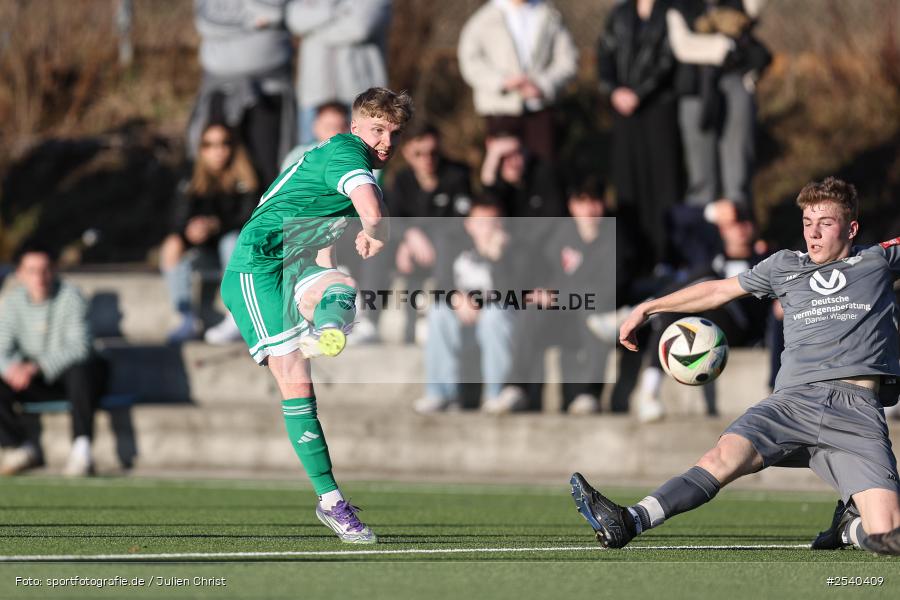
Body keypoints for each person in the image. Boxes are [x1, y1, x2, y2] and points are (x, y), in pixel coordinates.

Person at [571, 177, 900, 555]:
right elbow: (716, 290)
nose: (813, 233)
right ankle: (629, 520)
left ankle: (847, 530)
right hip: (791, 404)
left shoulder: (877, 260)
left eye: (825, 223)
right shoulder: (784, 266)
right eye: (808, 222)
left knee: (888, 535)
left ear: (851, 228)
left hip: (855, 411)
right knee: (722, 457)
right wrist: (649, 307)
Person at [220, 87, 412, 543]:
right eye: (378, 129)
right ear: (356, 127)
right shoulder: (348, 154)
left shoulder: (349, 163)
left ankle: (324, 331)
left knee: (343, 290)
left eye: (393, 133)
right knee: (295, 378)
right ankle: (330, 501)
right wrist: (378, 230)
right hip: (259, 267)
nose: (385, 141)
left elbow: (325, 245)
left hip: (296, 261)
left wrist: (349, 253)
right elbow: (370, 207)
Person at [359, 122, 474, 343]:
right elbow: (390, 219)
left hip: (447, 248)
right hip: (412, 249)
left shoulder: (457, 175)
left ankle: (440, 311)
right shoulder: (401, 180)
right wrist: (409, 237)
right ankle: (369, 320)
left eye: (433, 153)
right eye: (419, 153)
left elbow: (460, 222)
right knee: (376, 244)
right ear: (407, 153)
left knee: (444, 240)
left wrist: (418, 236)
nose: (427, 159)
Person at [0, 241, 107, 477]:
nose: (40, 277)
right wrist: (11, 369)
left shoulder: (71, 297)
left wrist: (37, 367)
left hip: (74, 379)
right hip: (34, 381)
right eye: (32, 270)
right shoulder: (11, 303)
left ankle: (81, 449)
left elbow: (80, 346)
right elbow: (1, 348)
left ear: (54, 270)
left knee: (81, 369)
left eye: (45, 269)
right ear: (19, 273)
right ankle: (18, 447)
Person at [598, 0, 683, 272]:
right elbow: (604, 56)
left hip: (659, 107)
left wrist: (640, 92)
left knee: (662, 182)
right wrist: (614, 91)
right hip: (623, 110)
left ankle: (665, 256)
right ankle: (633, 257)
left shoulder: (672, 12)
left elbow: (668, 60)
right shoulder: (619, 15)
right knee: (628, 181)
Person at [414, 200, 517, 413]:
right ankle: (441, 395)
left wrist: (497, 257)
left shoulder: (514, 252)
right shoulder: (454, 247)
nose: (486, 227)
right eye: (481, 222)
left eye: (492, 222)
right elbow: (441, 284)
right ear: (469, 224)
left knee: (494, 315)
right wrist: (456, 298)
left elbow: (511, 295)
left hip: (498, 323)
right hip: (463, 323)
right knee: (439, 312)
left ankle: (496, 396)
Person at [160, 122, 259, 344]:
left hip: (233, 250)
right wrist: (189, 230)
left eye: (225, 143)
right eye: (210, 144)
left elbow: (250, 219)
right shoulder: (190, 177)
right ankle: (186, 316)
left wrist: (215, 225)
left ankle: (235, 314)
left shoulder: (247, 177)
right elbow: (175, 219)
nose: (218, 150)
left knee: (231, 241)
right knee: (172, 245)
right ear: (201, 148)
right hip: (202, 250)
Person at [667, 0, 770, 207]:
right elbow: (683, 46)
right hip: (696, 88)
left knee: (738, 172)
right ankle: (701, 230)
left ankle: (741, 228)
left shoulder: (739, 4)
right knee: (701, 176)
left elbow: (756, 7)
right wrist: (724, 46)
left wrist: (748, 78)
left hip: (736, 81)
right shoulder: (679, 6)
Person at [190, 0, 296, 185]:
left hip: (270, 89)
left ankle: (265, 211)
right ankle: (218, 211)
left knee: (267, 160)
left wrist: (235, 21)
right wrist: (251, 22)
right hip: (220, 86)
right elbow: (206, 23)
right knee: (218, 155)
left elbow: (276, 13)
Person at [458, 0, 578, 162]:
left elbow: (568, 60)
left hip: (540, 108)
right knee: (504, 173)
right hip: (500, 110)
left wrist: (543, 85)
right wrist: (501, 82)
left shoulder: (549, 15)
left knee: (544, 172)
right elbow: (469, 61)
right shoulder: (484, 19)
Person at [286, 0, 391, 145]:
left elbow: (360, 29)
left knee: (365, 155)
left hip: (363, 100)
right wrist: (337, 11)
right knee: (308, 158)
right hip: (314, 95)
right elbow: (295, 20)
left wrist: (313, 32)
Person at [279, 101, 352, 172]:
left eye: (341, 127)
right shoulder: (298, 155)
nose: (334, 133)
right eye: (328, 127)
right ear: (315, 126)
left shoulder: (353, 155)